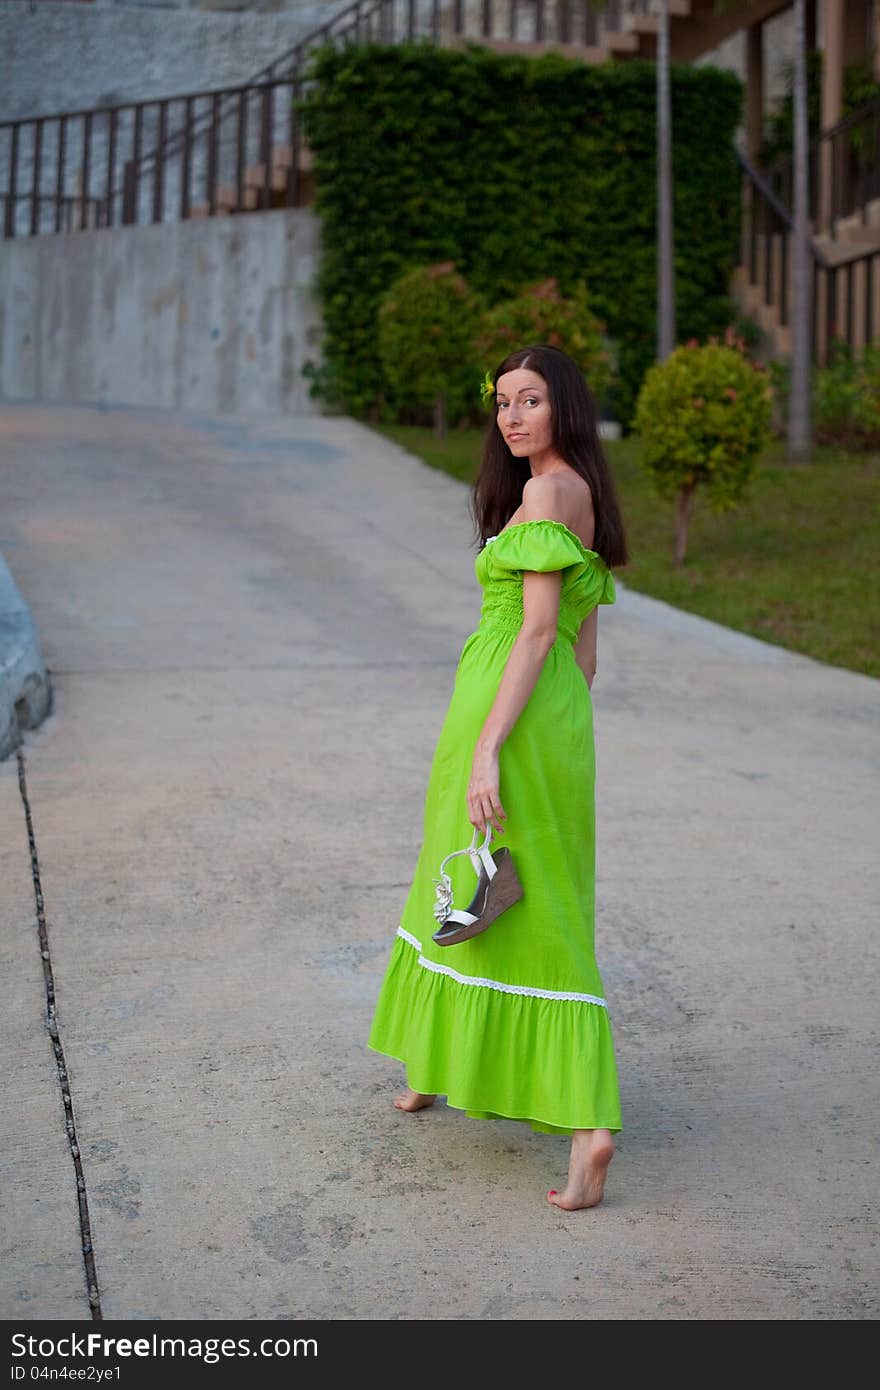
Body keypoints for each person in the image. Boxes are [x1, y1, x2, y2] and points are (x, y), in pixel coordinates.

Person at [367, 343, 629, 1210]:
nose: (512, 417)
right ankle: (433, 1065)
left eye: (531, 401)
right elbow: (585, 656)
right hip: (543, 719)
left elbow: (539, 632)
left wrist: (491, 746)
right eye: (503, 403)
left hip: (507, 718)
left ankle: (592, 1130)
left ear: (566, 409)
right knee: (502, 884)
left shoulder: (547, 494)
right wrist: (555, 732)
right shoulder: (578, 494)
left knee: (509, 892)